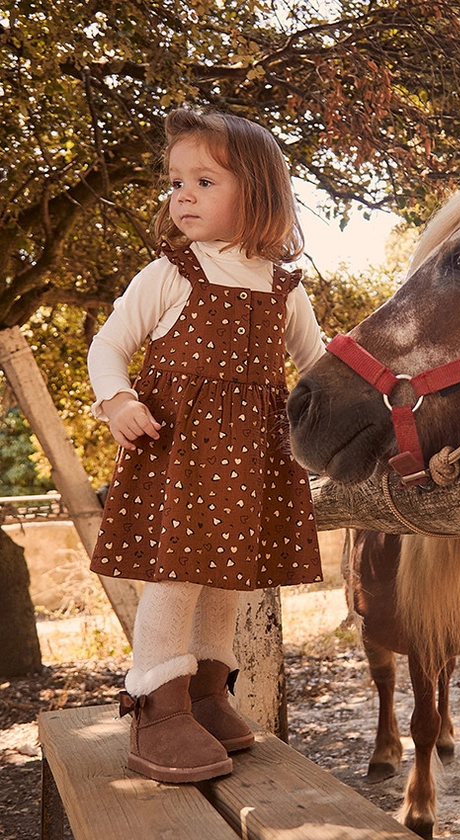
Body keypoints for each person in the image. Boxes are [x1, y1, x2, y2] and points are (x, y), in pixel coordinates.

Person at [88, 109, 325, 783]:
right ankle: (155, 708)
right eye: (175, 182)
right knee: (179, 576)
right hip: (180, 454)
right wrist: (118, 400)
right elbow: (109, 345)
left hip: (249, 463)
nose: (181, 195)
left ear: (256, 192)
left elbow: (317, 368)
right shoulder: (171, 274)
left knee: (228, 578)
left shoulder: (284, 287)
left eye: (203, 180)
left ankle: (204, 694)